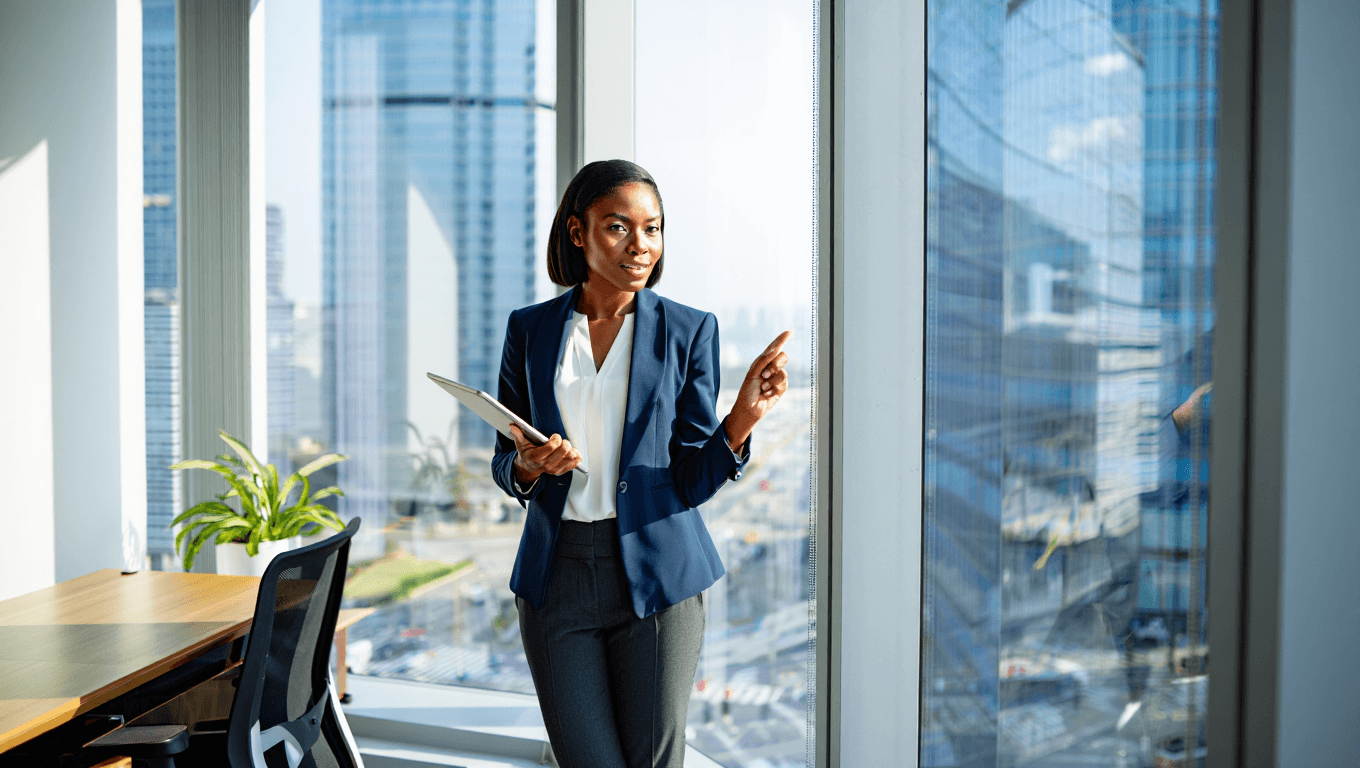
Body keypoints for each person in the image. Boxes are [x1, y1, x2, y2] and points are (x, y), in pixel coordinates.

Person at [490, 159, 791, 768]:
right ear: (579, 233)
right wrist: (529, 467)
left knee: (654, 761)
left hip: (658, 576)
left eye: (652, 229)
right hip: (558, 576)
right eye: (618, 228)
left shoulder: (687, 330)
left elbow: (688, 480)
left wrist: (742, 420)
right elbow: (505, 460)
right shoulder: (530, 330)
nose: (639, 246)